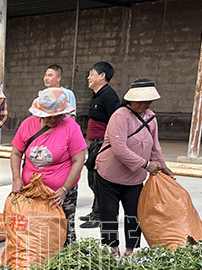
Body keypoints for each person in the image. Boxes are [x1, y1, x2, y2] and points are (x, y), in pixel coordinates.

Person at [95, 79, 174, 257]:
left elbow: (155, 147)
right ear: (130, 100)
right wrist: (146, 165)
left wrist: (163, 167)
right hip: (109, 174)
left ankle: (130, 250)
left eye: (146, 102)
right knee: (109, 213)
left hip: (135, 178)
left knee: (134, 214)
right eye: (138, 101)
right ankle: (113, 248)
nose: (142, 105)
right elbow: (119, 148)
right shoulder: (120, 116)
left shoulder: (152, 118)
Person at [9, 88, 86, 246]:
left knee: (65, 230)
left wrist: (64, 189)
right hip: (32, 190)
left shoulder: (71, 127)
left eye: (58, 116)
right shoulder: (27, 125)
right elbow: (16, 153)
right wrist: (17, 179)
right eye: (48, 117)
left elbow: (79, 160)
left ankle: (67, 263)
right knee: (34, 229)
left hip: (60, 193)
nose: (53, 120)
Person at [81, 61, 120, 229]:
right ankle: (95, 212)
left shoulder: (109, 95)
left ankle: (100, 215)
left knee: (99, 181)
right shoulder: (98, 94)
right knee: (93, 181)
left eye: (92, 73)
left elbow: (116, 121)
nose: (89, 77)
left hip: (102, 146)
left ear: (102, 76)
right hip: (94, 145)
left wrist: (107, 145)